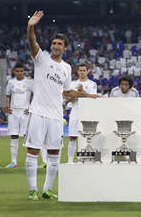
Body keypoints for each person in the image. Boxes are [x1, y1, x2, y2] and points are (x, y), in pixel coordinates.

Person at [25, 11, 100, 201]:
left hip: (57, 116)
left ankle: (47, 189)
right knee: (33, 151)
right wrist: (30, 27)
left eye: (59, 44)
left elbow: (67, 92)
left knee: (54, 153)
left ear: (65, 47)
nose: (55, 46)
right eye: (53, 43)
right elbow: (32, 42)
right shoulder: (41, 58)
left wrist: (87, 95)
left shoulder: (66, 68)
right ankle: (33, 189)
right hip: (38, 112)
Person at [65, 63, 98, 164]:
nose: (82, 72)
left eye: (84, 70)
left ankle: (84, 159)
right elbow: (67, 99)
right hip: (75, 112)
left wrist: (82, 91)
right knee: (72, 137)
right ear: (77, 71)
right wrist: (77, 92)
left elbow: (93, 97)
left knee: (87, 137)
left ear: (88, 71)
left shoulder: (92, 84)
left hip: (87, 113)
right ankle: (70, 160)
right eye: (80, 70)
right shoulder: (72, 84)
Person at [5, 62, 34, 168]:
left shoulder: (30, 82)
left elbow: (36, 95)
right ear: (14, 72)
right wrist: (6, 106)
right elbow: (7, 95)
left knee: (28, 137)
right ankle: (13, 162)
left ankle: (29, 161)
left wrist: (31, 108)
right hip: (13, 111)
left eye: (21, 71)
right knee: (14, 136)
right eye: (17, 71)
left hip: (25, 111)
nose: (19, 73)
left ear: (24, 71)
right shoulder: (11, 82)